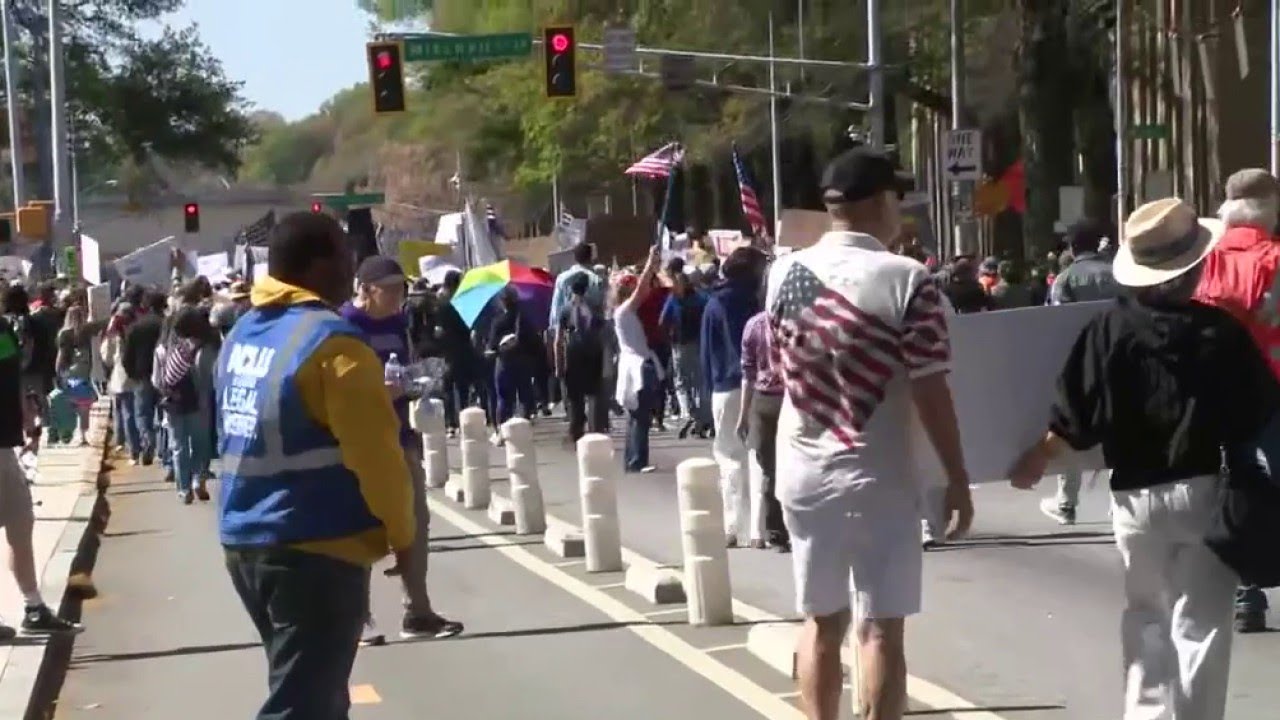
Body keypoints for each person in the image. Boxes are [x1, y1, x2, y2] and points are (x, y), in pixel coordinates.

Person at [1010, 198, 1273, 720]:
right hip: (1207, 487)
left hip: (1134, 494)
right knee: (1202, 624)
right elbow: (1259, 410)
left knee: (1146, 617)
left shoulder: (1107, 330)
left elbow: (1074, 418)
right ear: (1196, 265)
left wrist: (1033, 459)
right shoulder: (1221, 333)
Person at [767, 146, 973, 720]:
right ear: (882, 203)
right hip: (879, 475)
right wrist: (957, 477)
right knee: (882, 630)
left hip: (804, 471)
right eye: (898, 199)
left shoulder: (780, 272)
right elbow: (932, 390)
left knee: (820, 623)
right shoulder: (909, 280)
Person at [217, 212, 418, 720]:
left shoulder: (243, 334)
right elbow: (379, 457)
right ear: (319, 263)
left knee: (318, 694)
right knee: (302, 705)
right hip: (315, 547)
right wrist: (403, 534)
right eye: (345, 254)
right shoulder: (335, 346)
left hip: (246, 541)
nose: (353, 265)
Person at [340, 255, 463, 644]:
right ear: (364, 290)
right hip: (359, 442)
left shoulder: (398, 324)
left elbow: (402, 369)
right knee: (360, 528)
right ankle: (360, 618)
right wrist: (376, 388)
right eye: (389, 290)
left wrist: (420, 379)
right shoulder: (343, 326)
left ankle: (418, 611)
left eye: (401, 290)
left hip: (398, 434)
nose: (398, 297)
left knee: (415, 522)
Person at [1191, 168, 1280, 633]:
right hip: (1274, 393)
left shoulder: (1200, 262)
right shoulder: (1276, 259)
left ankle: (1247, 596)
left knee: (1232, 492)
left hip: (1216, 397)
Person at [0, 308, 81, 635]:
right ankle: (33, 608)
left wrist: (25, 408)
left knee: (21, 520)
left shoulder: (4, 327)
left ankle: (34, 608)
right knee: (20, 519)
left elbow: (10, 373)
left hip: (4, 443)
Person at [1040, 220, 1122, 526]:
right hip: (1119, 359)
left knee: (1070, 429)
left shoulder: (1065, 279)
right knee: (1120, 431)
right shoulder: (1117, 274)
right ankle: (1119, 502)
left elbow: (1054, 321)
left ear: (1072, 247)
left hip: (1079, 364)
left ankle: (1066, 503)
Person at [701, 246, 765, 548]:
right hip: (757, 382)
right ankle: (758, 529)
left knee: (728, 457)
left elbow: (706, 352)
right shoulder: (756, 303)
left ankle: (731, 526)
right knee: (757, 455)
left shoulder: (714, 303)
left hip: (724, 386)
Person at [738, 307, 789, 552]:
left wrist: (743, 415)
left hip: (762, 399)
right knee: (793, 462)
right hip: (790, 397)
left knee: (769, 466)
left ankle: (775, 530)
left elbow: (747, 374)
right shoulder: (795, 320)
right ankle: (790, 524)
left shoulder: (752, 324)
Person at [156, 306, 215, 504]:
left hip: (174, 404)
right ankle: (199, 479)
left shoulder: (164, 349)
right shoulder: (205, 347)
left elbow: (157, 380)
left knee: (178, 446)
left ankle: (184, 489)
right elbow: (211, 377)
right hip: (200, 402)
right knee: (200, 444)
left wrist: (168, 391)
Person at [613, 246, 664, 473]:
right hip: (637, 366)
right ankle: (637, 460)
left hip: (638, 363)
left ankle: (633, 459)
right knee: (640, 416)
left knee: (637, 417)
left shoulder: (625, 312)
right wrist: (651, 263)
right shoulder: (624, 311)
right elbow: (643, 289)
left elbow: (644, 291)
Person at [555, 273, 607, 443]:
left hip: (573, 354)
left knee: (575, 397)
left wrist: (558, 365)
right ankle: (595, 431)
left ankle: (576, 430)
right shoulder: (594, 307)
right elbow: (603, 332)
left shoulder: (565, 309)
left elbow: (558, 340)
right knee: (594, 394)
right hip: (593, 352)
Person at [661, 264, 711, 439]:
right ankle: (703, 416)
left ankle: (688, 413)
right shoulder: (701, 298)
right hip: (698, 342)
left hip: (679, 345)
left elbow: (663, 320)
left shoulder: (673, 299)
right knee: (699, 382)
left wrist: (668, 334)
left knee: (681, 382)